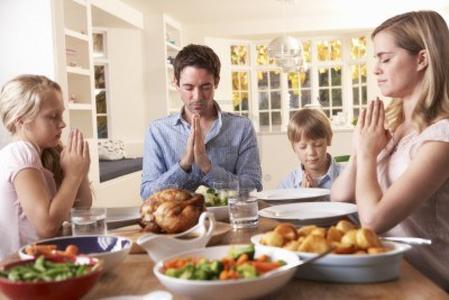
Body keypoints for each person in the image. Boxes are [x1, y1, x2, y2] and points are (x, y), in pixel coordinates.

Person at [331, 11, 449, 290]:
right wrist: (361, 150)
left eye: (386, 59)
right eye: (376, 60)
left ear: (422, 59)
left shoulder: (441, 138)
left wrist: (369, 154)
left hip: (430, 282)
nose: (375, 69)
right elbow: (340, 196)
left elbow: (373, 221)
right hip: (389, 272)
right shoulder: (393, 125)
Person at [140, 44, 262, 199]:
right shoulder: (157, 131)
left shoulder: (242, 127)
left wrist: (208, 167)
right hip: (178, 221)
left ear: (216, 82)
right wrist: (184, 165)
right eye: (188, 88)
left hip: (229, 219)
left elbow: (252, 185)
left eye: (205, 87)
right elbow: (147, 194)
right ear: (176, 83)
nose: (197, 96)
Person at [0, 75, 92, 259]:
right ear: (21, 120)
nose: (63, 123)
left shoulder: (44, 154)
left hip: (44, 262)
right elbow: (47, 226)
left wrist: (81, 171)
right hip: (20, 268)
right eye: (52, 116)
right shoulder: (19, 153)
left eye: (61, 114)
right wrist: (72, 176)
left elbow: (82, 209)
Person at [278, 108, 343, 189]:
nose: (311, 152)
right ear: (293, 147)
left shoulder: (348, 177)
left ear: (329, 140)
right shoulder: (287, 184)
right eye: (303, 147)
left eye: (318, 145)